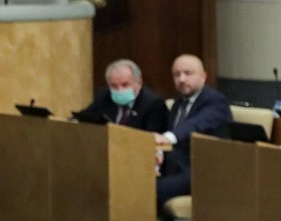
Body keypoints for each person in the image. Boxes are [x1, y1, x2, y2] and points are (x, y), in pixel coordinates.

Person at [153, 54, 232, 209]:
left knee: (152, 190)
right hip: (177, 165)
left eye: (188, 73)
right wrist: (159, 152)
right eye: (177, 74)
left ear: (203, 76)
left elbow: (197, 124)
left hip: (204, 170)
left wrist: (168, 138)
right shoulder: (179, 102)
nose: (182, 79)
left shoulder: (215, 101)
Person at [75, 59, 168, 132]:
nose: (120, 90)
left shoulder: (154, 104)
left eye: (125, 84)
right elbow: (86, 117)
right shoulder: (103, 96)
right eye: (114, 86)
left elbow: (153, 137)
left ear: (139, 83)